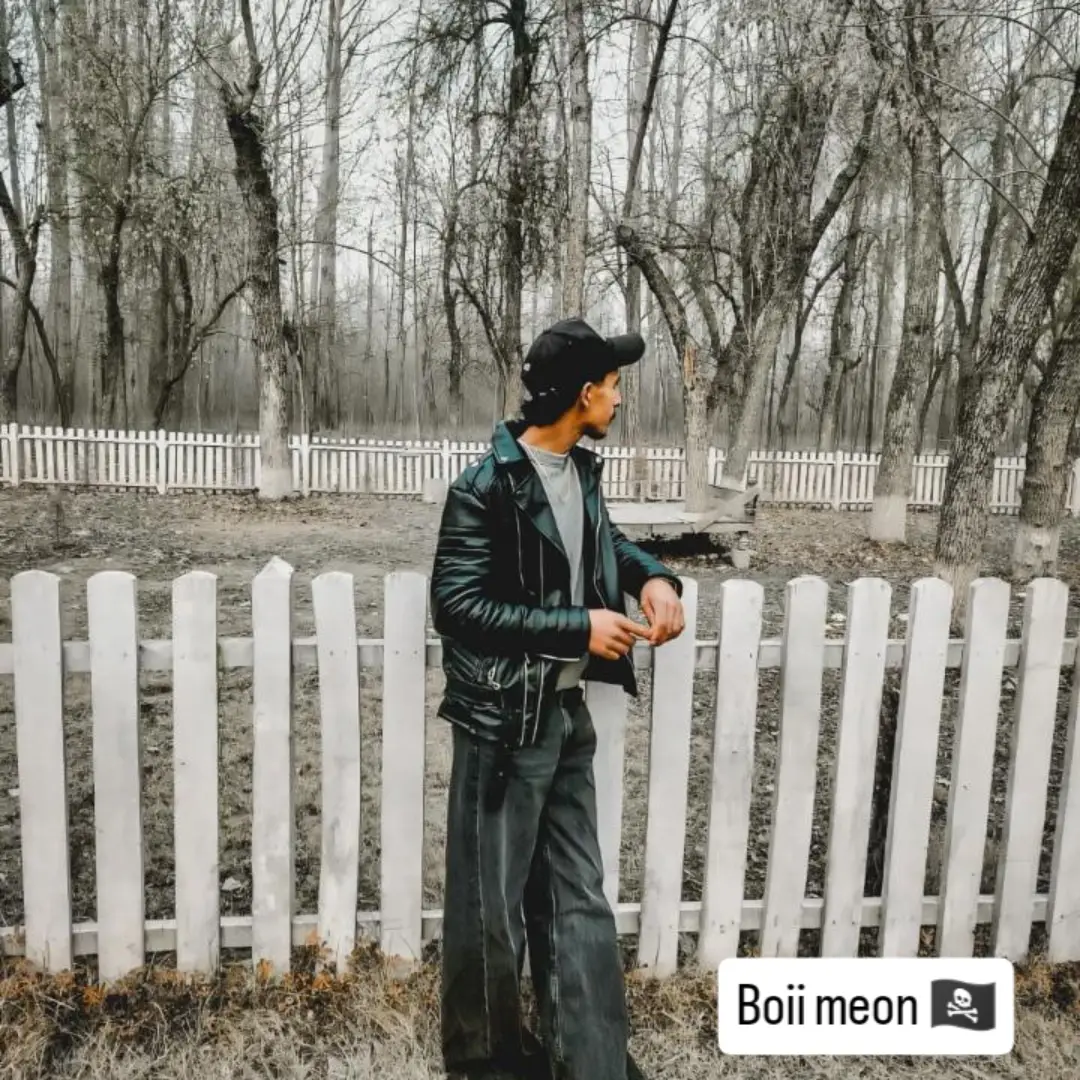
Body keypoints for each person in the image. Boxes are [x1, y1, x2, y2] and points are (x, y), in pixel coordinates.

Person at [430, 317, 686, 1080]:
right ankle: (487, 1064)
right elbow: (457, 607)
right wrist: (578, 627)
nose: (619, 399)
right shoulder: (484, 489)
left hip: (565, 720)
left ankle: (592, 1060)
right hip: (502, 727)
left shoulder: (579, 472)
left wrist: (653, 577)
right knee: (490, 913)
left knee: (580, 899)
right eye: (612, 386)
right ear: (582, 395)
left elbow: (604, 542)